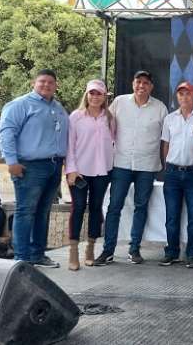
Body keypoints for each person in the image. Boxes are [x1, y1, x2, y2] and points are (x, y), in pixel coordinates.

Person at [95, 70, 168, 266]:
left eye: (146, 82)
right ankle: (108, 251)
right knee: (114, 207)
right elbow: (103, 124)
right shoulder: (119, 102)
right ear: (132, 84)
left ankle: (134, 249)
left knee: (141, 207)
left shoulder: (160, 108)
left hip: (147, 165)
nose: (141, 86)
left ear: (151, 86)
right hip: (121, 163)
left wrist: (166, 162)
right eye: (138, 82)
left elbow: (167, 138)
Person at [0, 69, 68, 268]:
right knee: (25, 211)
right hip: (30, 166)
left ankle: (38, 255)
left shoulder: (58, 107)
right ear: (33, 83)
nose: (46, 85)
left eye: (50, 82)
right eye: (42, 81)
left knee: (43, 212)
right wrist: (11, 162)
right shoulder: (20, 105)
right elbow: (7, 134)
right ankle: (21, 258)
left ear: (56, 85)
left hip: (54, 165)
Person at [65, 79, 115, 271]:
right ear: (86, 95)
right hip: (79, 172)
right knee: (78, 208)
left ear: (104, 97)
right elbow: (69, 145)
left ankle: (90, 249)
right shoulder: (75, 117)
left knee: (96, 208)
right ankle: (73, 251)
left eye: (99, 94)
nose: (95, 97)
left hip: (102, 171)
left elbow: (115, 142)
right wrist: (70, 169)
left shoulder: (109, 118)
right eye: (91, 93)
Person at [160, 81, 193, 268]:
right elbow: (165, 145)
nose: (184, 97)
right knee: (172, 216)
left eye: (188, 94)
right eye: (181, 94)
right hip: (172, 173)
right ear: (177, 97)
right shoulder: (170, 119)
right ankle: (171, 252)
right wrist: (167, 165)